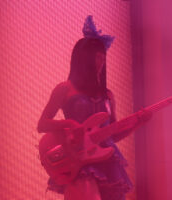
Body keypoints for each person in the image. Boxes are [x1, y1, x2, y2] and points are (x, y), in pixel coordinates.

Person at [37, 16, 150, 200]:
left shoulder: (108, 95)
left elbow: (112, 134)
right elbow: (42, 124)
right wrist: (69, 124)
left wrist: (138, 123)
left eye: (103, 58)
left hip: (107, 161)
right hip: (79, 160)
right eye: (96, 58)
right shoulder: (65, 89)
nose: (101, 63)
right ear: (83, 60)